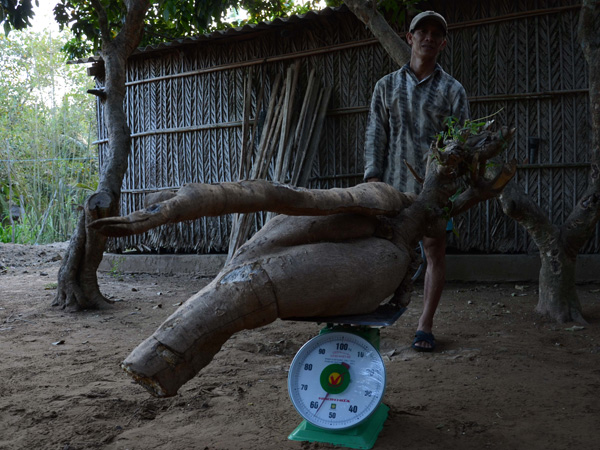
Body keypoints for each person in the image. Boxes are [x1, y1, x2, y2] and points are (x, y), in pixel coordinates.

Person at [363, 11, 470, 352]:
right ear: (409, 38)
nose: (428, 37)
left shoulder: (453, 90)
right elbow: (376, 134)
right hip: (392, 189)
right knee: (381, 249)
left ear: (443, 43)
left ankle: (425, 325)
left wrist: (450, 185)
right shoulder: (386, 86)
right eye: (421, 31)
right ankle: (368, 313)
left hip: (434, 191)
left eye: (435, 33)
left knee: (434, 252)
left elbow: (462, 143)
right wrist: (372, 179)